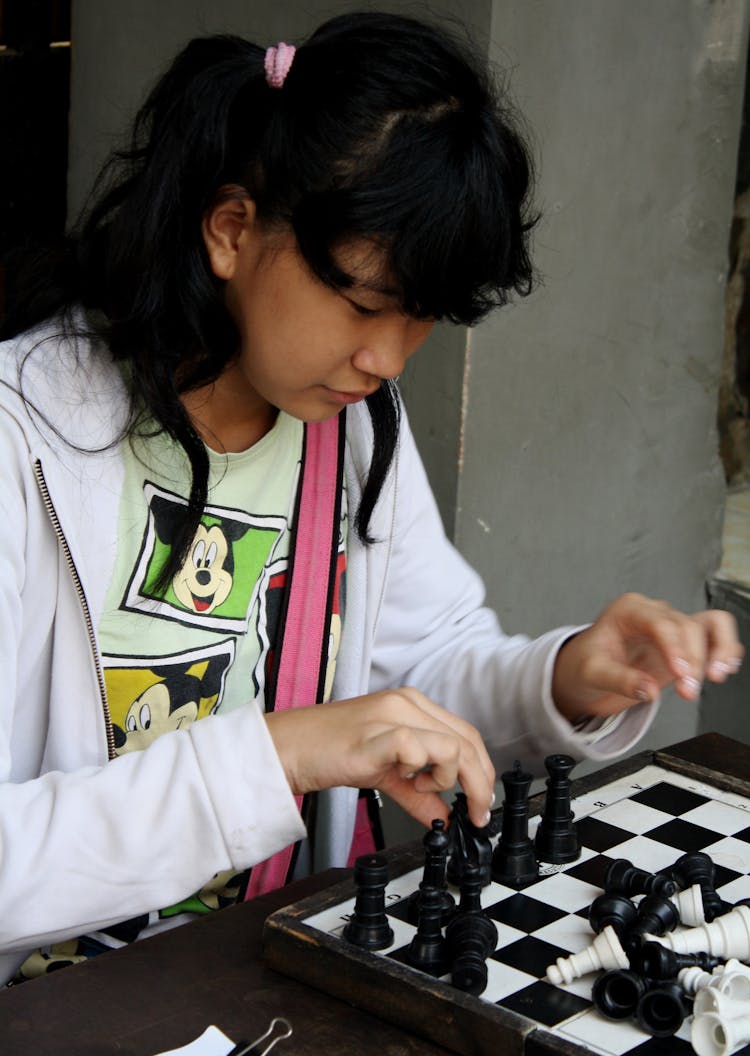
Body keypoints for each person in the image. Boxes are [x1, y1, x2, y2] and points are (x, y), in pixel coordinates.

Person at [0, 11, 740, 987]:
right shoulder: (23, 440)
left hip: (260, 981)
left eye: (421, 317)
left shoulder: (342, 430)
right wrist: (279, 755)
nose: (385, 359)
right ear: (231, 230)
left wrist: (560, 679)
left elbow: (416, 684)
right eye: (360, 302)